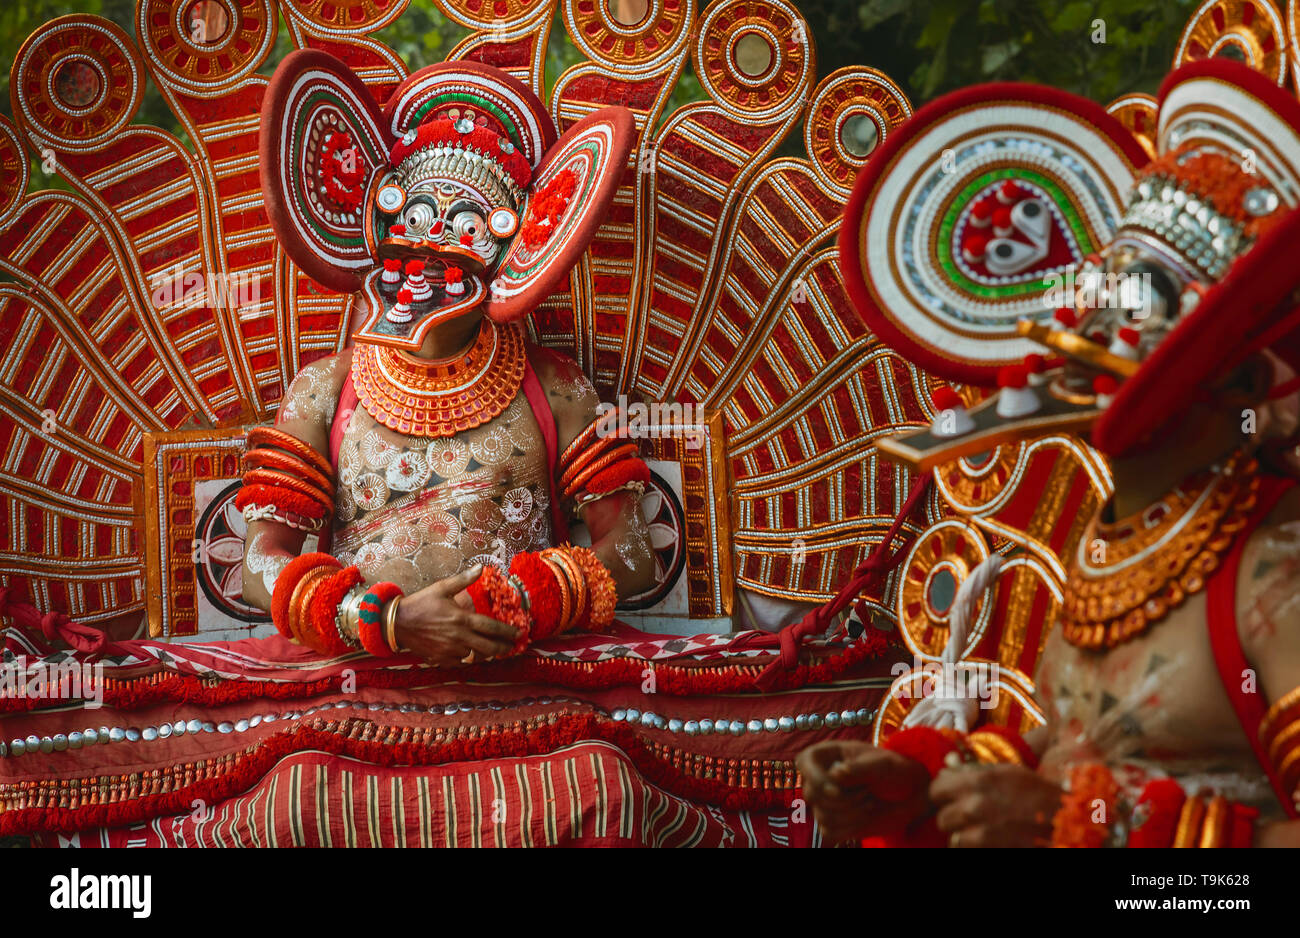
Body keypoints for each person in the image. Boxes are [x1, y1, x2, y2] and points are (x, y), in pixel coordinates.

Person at [812, 58, 1300, 847]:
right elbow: (1055, 753)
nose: (1085, 343)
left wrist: (1090, 832)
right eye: (1094, 310)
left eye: (1133, 321)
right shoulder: (1116, 538)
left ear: (1240, 379)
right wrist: (926, 788)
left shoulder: (1277, 567)